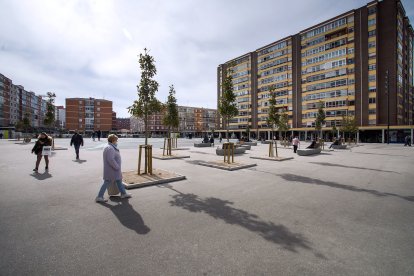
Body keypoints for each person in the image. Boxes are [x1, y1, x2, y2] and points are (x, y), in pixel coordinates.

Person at [96, 134, 131, 202]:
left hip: (113, 170)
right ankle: (99, 196)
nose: (117, 141)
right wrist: (117, 167)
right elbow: (111, 159)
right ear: (113, 140)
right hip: (112, 170)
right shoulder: (110, 148)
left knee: (119, 181)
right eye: (116, 140)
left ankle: (123, 193)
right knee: (107, 182)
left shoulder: (110, 147)